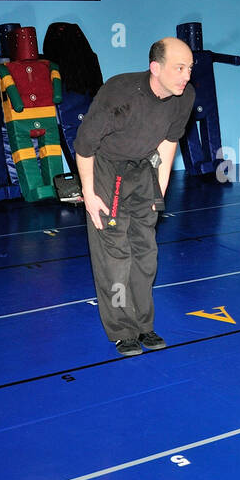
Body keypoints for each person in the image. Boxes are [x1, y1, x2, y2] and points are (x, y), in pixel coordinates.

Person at [75, 36, 195, 356]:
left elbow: (168, 146)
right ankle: (122, 330)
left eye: (190, 68)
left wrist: (160, 192)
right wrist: (88, 194)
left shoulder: (184, 97)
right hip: (106, 170)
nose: (186, 75)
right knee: (115, 257)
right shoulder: (120, 92)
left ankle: (144, 324)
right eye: (179, 68)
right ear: (155, 68)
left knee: (145, 254)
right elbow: (84, 145)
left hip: (144, 171)